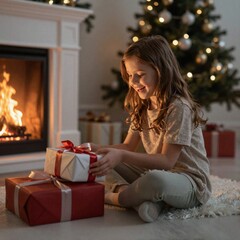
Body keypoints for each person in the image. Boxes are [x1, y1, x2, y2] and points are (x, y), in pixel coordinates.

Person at [87, 35, 211, 223]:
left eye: (140, 74)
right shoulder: (143, 106)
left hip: (190, 183)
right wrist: (97, 149)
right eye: (130, 75)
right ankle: (144, 201)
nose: (133, 81)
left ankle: (117, 198)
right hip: (160, 174)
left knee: (155, 180)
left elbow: (167, 161)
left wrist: (120, 156)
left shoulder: (179, 107)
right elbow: (128, 147)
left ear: (160, 70)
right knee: (103, 161)